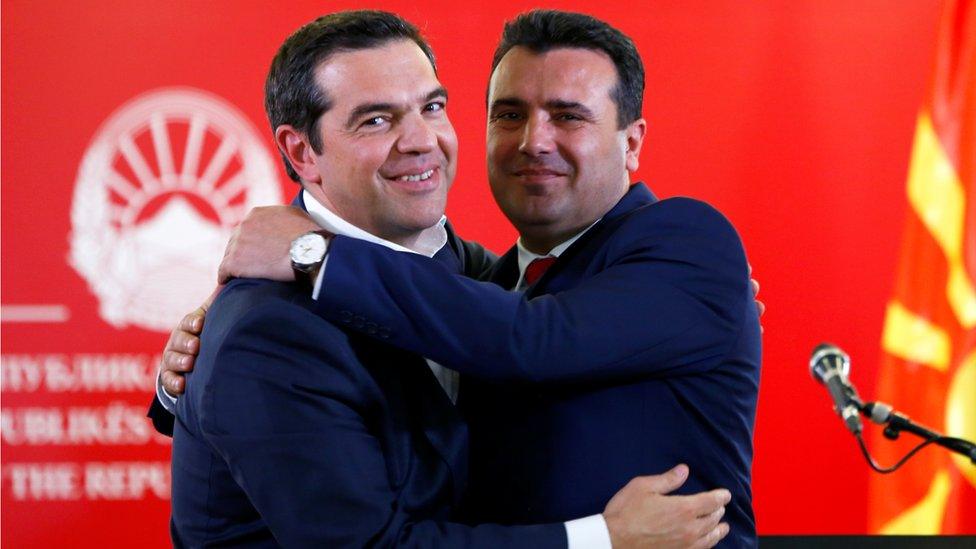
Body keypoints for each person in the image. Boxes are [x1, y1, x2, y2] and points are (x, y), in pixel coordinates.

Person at [158, 10, 734, 549]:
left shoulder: (477, 275)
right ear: (302, 151)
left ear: (632, 140)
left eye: (431, 107)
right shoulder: (268, 327)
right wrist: (598, 539)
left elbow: (528, 331)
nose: (420, 140)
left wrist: (708, 296)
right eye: (377, 119)